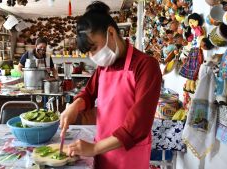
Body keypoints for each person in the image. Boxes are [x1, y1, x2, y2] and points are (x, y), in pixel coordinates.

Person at [59, 1, 162, 169]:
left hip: (128, 156)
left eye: (94, 48)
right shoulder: (104, 67)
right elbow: (89, 94)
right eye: (89, 52)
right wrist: (75, 106)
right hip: (101, 152)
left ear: (111, 33)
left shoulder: (145, 66)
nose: (93, 56)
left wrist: (94, 148)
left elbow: (139, 126)